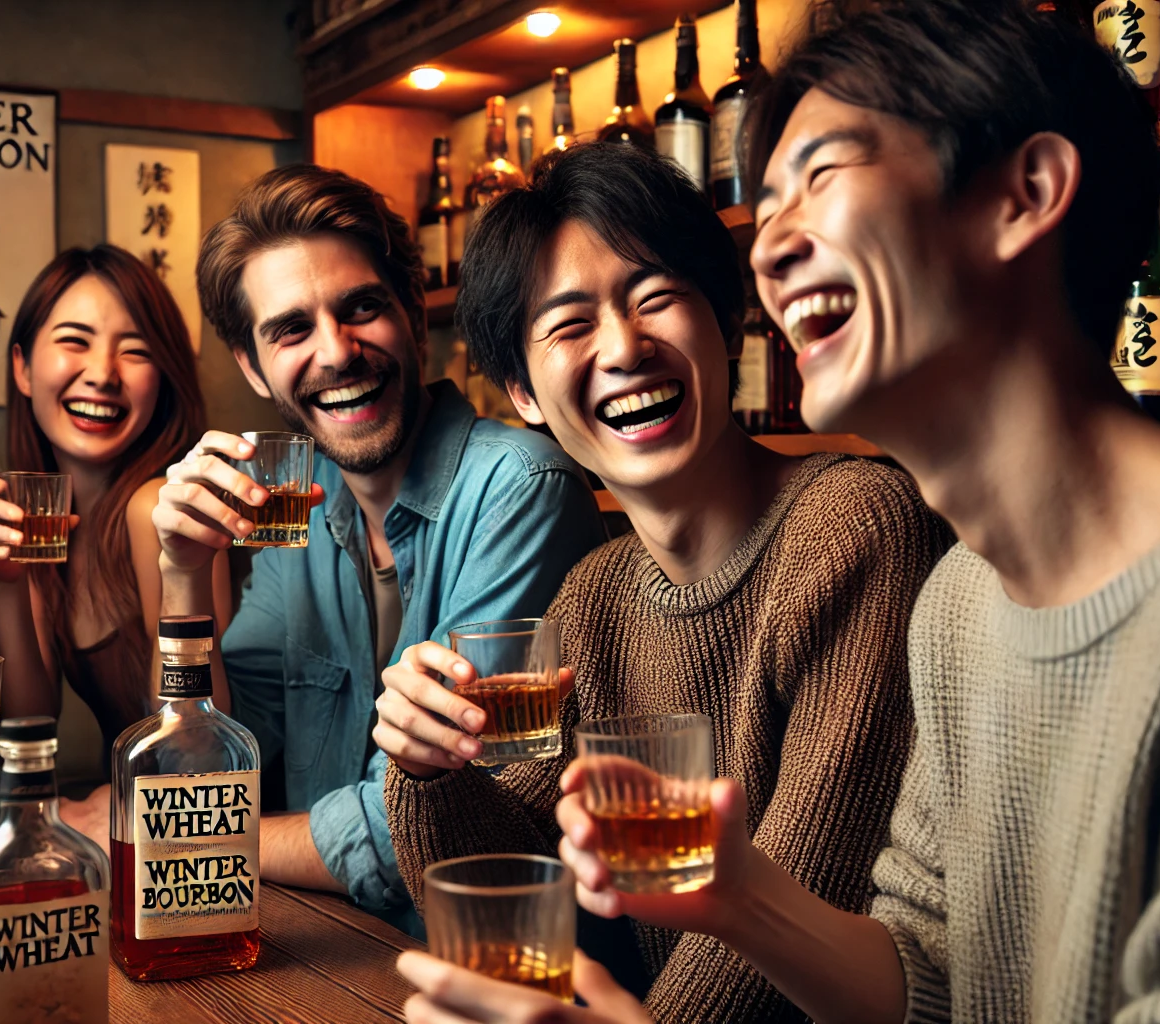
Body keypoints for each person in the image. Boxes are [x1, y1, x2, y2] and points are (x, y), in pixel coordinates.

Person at [397, 2, 1160, 1022]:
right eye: (766, 200)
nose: (771, 248)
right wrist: (741, 900)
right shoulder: (960, 604)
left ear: (1024, 194)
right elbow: (925, 975)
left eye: (819, 177)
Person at [375, 141, 950, 1022]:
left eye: (655, 300)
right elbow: (517, 884)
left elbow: (792, 901)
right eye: (569, 326)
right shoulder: (595, 595)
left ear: (727, 324)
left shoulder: (854, 527)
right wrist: (426, 770)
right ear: (524, 393)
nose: (624, 347)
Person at [143, 163, 607, 929]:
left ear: (415, 318)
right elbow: (206, 771)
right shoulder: (299, 509)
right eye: (292, 329)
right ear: (253, 368)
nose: (336, 351)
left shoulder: (520, 488)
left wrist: (211, 843)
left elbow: (424, 831)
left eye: (362, 307)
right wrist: (184, 574)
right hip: (326, 949)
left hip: (492, 969)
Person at [0, 245, 232, 764]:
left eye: (134, 350)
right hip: (135, 819)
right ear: (22, 368)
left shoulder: (158, 508)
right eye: (74, 342)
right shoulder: (39, 518)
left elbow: (196, 746)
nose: (103, 374)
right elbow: (20, 731)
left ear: (165, 379)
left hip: (207, 821)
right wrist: (7, 583)